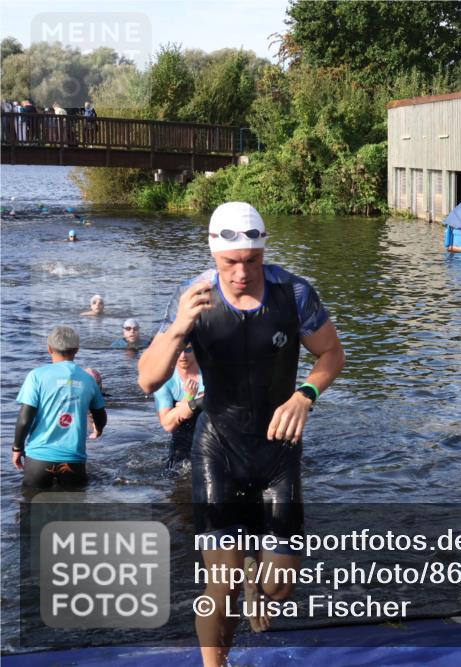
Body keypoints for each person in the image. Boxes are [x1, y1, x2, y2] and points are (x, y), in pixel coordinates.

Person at [137, 201, 345, 667]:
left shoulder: (293, 292)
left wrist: (304, 395)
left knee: (279, 587)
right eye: (231, 263)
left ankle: (259, 582)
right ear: (214, 255)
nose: (241, 274)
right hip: (218, 451)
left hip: (278, 455)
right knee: (223, 586)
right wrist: (179, 330)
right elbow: (148, 380)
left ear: (263, 253)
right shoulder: (192, 297)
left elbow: (331, 352)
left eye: (252, 261)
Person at [11, 326, 107, 489]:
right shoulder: (88, 379)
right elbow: (100, 416)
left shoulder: (36, 376)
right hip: (73, 461)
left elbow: (25, 418)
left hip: (38, 460)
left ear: (49, 348)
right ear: (76, 349)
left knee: (30, 510)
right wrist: (98, 429)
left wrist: (17, 447)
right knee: (73, 512)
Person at [153, 345, 204, 468]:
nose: (183, 355)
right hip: (183, 439)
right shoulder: (164, 380)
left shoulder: (210, 372)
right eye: (178, 349)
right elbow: (167, 425)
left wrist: (181, 408)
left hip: (212, 434)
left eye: (188, 349)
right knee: (173, 473)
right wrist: (190, 397)